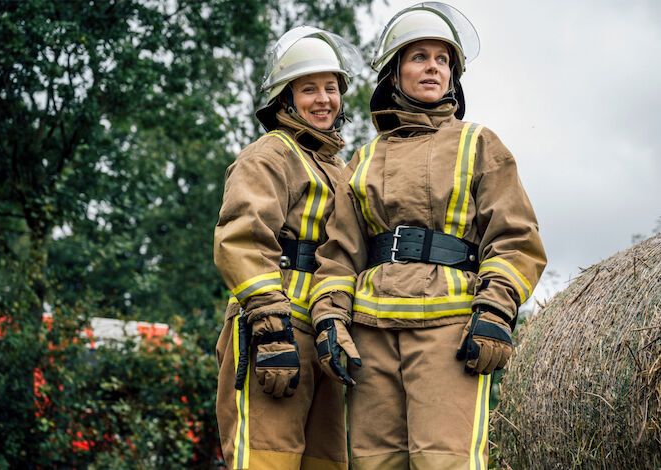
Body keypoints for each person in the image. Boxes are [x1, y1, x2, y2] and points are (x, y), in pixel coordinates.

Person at [308, 3, 547, 469]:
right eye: (419, 57)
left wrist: (495, 311)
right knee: (375, 463)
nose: (433, 67)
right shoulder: (364, 157)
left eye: (443, 60)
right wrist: (330, 320)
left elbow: (515, 238)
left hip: (449, 333)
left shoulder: (480, 144)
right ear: (394, 74)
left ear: (453, 76)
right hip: (370, 336)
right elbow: (339, 252)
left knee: (445, 462)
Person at [213, 26, 362, 470]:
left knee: (326, 462)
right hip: (272, 335)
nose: (323, 100)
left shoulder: (338, 169)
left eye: (331, 88)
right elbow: (241, 237)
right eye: (309, 88)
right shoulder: (270, 154)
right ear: (284, 98)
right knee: (266, 460)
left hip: (322, 337)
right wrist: (270, 327)